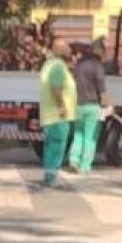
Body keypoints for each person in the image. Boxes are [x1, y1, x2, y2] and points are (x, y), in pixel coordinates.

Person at [67, 37, 110, 176]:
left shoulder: (79, 66)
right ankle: (85, 166)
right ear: (100, 51)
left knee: (78, 134)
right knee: (90, 137)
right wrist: (108, 105)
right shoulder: (97, 66)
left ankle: (73, 160)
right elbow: (102, 89)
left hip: (78, 105)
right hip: (92, 106)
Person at [38, 38, 76, 188]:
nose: (69, 50)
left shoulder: (48, 64)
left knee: (50, 147)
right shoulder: (58, 67)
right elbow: (55, 88)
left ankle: (48, 175)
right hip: (58, 116)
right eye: (67, 47)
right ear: (59, 50)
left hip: (49, 115)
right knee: (57, 147)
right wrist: (61, 105)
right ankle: (51, 178)